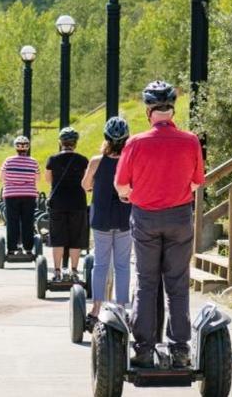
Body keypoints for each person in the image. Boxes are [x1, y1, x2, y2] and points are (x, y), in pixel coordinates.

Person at [115, 81, 205, 369]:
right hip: (179, 218)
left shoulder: (135, 143)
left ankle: (143, 348)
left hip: (146, 218)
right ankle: (180, 349)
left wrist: (131, 194)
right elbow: (197, 182)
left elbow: (121, 185)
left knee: (146, 282)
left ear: (148, 110)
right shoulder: (190, 140)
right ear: (172, 109)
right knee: (177, 283)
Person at [81, 117, 132, 327]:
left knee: (101, 265)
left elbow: (85, 185)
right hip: (124, 218)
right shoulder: (130, 161)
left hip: (101, 218)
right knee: (122, 266)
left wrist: (95, 184)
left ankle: (95, 309)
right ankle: (121, 308)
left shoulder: (96, 161)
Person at [44, 127, 89, 281]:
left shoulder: (52, 159)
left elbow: (48, 180)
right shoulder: (83, 160)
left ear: (60, 142)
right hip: (77, 202)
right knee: (76, 237)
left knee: (57, 237)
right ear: (75, 143)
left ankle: (57, 271)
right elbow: (86, 183)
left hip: (58, 203)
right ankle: (74, 271)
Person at [0, 135, 40, 254]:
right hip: (29, 195)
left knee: (12, 221)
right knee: (28, 221)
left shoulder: (8, 161)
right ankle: (28, 248)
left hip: (11, 195)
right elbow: (37, 179)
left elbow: (2, 177)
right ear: (27, 148)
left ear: (15, 147)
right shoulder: (33, 162)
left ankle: (12, 248)